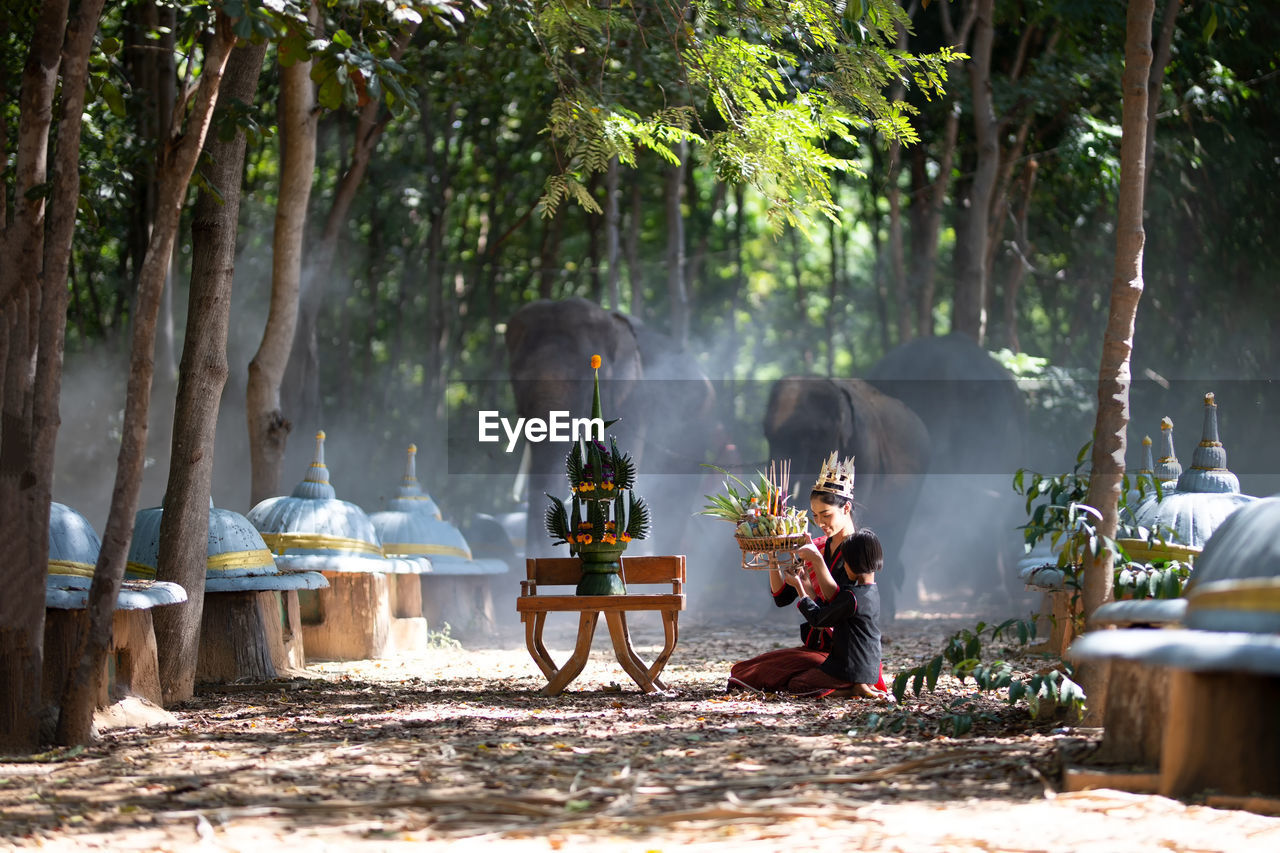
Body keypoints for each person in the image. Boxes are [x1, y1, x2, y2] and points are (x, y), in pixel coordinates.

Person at [727, 452, 888, 697]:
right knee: (745, 671)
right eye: (815, 516)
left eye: (826, 515)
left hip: (846, 650)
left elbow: (843, 603)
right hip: (817, 644)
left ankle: (849, 685)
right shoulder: (820, 545)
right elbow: (782, 597)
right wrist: (773, 557)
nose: (820, 522)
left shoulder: (859, 550)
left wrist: (813, 566)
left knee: (773, 678)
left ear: (846, 508)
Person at [782, 528, 888, 698]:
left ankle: (850, 690)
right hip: (870, 668)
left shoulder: (852, 597)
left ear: (854, 562)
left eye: (845, 561)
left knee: (797, 684)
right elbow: (830, 609)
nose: (844, 566)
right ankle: (862, 686)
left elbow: (818, 619)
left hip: (848, 668)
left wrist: (799, 588)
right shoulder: (871, 593)